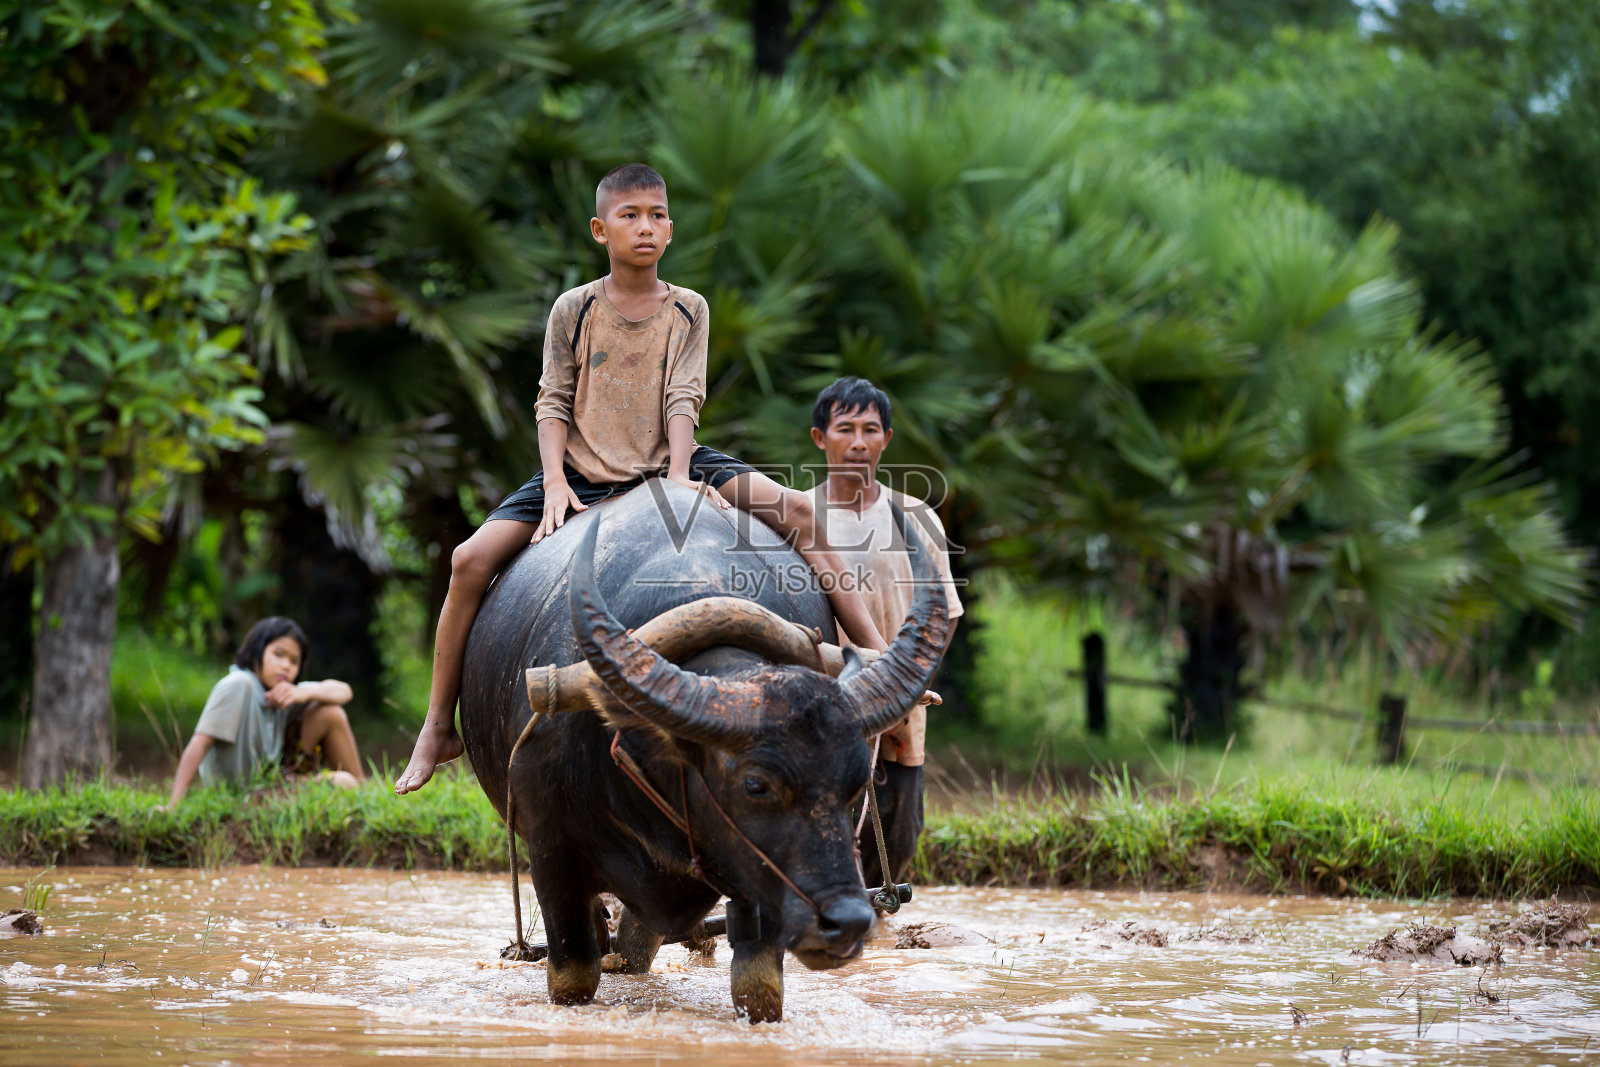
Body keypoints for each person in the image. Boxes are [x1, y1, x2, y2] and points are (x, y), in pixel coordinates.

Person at [395, 163, 892, 794]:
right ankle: (438, 722)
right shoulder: (573, 308)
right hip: (582, 471)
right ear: (601, 230)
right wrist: (553, 483)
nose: (645, 227)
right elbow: (552, 400)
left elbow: (685, 394)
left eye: (656, 215)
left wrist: (680, 479)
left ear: (671, 229)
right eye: (629, 216)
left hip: (673, 460)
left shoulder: (689, 308)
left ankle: (876, 658)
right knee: (468, 561)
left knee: (800, 513)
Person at [808, 376, 964, 887]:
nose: (857, 442)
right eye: (845, 428)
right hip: (817, 710)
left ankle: (873, 947)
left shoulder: (917, 519)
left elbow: (942, 618)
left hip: (899, 714)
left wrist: (902, 692)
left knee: (894, 841)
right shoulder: (794, 517)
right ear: (819, 438)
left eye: (870, 429)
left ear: (887, 440)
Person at [161, 617, 364, 808]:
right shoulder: (239, 685)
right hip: (241, 798)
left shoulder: (281, 691)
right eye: (278, 654)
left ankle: (366, 792)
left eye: (294, 661)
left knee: (330, 712)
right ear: (256, 650)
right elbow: (200, 742)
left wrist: (302, 693)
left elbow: (344, 691)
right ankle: (361, 791)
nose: (286, 665)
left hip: (272, 782)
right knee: (344, 782)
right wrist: (173, 806)